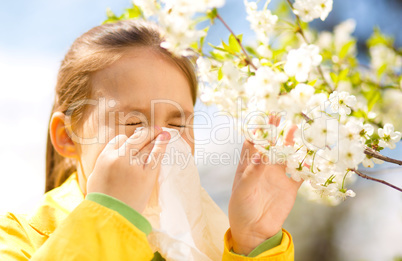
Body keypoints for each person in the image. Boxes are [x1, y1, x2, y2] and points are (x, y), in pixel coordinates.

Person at [0, 19, 301, 260]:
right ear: (67, 136)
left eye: (177, 122)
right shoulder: (18, 239)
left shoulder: (212, 238)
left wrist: (254, 244)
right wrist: (110, 215)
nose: (163, 140)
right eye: (134, 122)